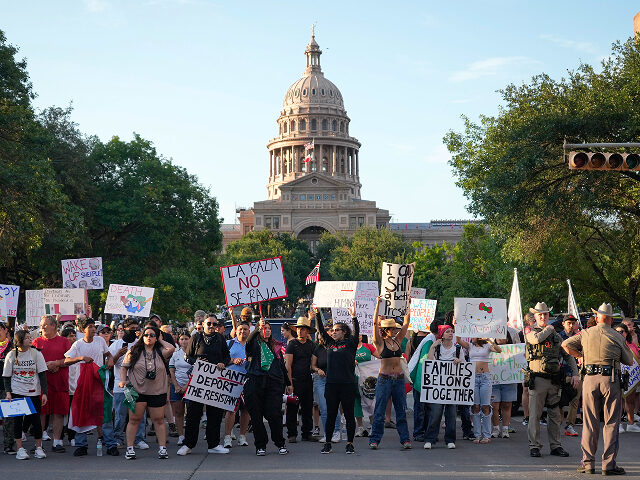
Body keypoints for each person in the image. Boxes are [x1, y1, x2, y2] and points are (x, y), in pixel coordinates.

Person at [563, 303, 634, 475]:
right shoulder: (617, 336)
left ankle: (587, 463)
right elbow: (630, 361)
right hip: (610, 380)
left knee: (590, 422)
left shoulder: (586, 333)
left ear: (597, 317)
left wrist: (580, 356)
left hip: (589, 379)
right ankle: (608, 465)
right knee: (611, 423)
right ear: (610, 319)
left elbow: (565, 344)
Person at [524, 302, 578, 458]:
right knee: (535, 415)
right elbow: (536, 340)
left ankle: (556, 446)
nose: (543, 316)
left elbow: (568, 355)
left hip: (554, 380)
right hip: (538, 378)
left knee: (554, 415)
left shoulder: (555, 335)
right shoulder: (531, 331)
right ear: (534, 316)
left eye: (546, 314)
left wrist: (575, 373)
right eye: (540, 314)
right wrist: (550, 328)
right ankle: (534, 446)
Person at [119, 324, 175, 460]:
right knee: (134, 420)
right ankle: (130, 449)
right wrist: (122, 381)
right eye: (146, 335)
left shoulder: (161, 351)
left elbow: (172, 348)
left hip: (157, 391)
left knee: (159, 420)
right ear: (141, 337)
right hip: (137, 391)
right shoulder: (134, 351)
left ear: (156, 338)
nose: (148, 337)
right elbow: (124, 368)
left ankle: (162, 449)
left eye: (152, 335)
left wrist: (160, 338)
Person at [178, 315, 231, 456]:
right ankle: (188, 444)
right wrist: (197, 361)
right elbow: (187, 356)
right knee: (193, 414)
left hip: (215, 381)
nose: (212, 326)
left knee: (215, 414)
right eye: (209, 323)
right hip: (198, 381)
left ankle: (213, 444)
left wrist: (223, 363)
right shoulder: (196, 337)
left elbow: (226, 356)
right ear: (203, 324)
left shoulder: (220, 339)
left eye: (215, 324)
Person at [311, 306, 359, 454]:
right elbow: (321, 331)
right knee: (331, 414)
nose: (334, 332)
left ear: (344, 332)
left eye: (337, 330)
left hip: (347, 384)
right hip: (331, 385)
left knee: (349, 414)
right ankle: (328, 443)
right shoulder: (329, 344)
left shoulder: (350, 344)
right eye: (333, 330)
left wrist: (354, 317)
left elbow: (356, 332)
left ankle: (350, 443)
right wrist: (318, 314)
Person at [64, 316, 114, 456]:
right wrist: (80, 358)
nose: (93, 329)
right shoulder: (78, 344)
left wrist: (110, 360)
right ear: (82, 329)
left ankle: (110, 444)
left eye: (94, 327)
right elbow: (67, 360)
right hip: (84, 383)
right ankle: (81, 445)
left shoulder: (100, 340)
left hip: (99, 380)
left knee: (104, 412)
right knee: (83, 411)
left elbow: (108, 354)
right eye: (90, 327)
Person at [369, 297, 412, 450]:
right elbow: (374, 325)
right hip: (384, 380)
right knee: (379, 411)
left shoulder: (398, 341)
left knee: (401, 410)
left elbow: (406, 324)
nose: (396, 330)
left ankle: (405, 439)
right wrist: (377, 306)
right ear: (386, 330)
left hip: (399, 379)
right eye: (393, 329)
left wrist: (408, 306)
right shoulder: (379, 342)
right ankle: (374, 440)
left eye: (396, 329)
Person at [244, 319, 289, 456]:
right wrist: (257, 328)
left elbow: (281, 366)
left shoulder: (276, 346)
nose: (267, 330)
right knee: (256, 416)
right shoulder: (254, 345)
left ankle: (280, 443)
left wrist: (288, 383)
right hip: (255, 382)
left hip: (273, 384)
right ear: (258, 330)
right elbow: (248, 342)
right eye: (264, 328)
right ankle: (260, 445)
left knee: (274, 414)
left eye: (269, 328)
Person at [3, 330, 48, 460]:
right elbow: (6, 376)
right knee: (18, 421)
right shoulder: (11, 355)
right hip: (17, 392)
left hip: (33, 392)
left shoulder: (36, 354)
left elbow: (42, 375)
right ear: (20, 340)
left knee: (36, 420)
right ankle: (20, 449)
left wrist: (44, 393)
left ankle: (38, 447)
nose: (30, 340)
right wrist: (8, 393)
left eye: (30, 337)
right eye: (27, 338)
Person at [32, 315, 71, 453]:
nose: (42, 327)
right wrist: (45, 366)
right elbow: (31, 362)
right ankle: (38, 443)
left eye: (45, 324)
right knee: (41, 413)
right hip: (42, 385)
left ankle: (57, 442)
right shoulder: (36, 342)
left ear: (54, 326)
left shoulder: (64, 341)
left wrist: (57, 363)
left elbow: (70, 359)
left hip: (60, 383)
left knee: (58, 413)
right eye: (41, 325)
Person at [109, 317, 147, 453]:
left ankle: (139, 439)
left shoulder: (140, 344)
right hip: (121, 386)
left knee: (139, 414)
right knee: (120, 414)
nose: (134, 331)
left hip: (138, 385)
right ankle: (118, 438)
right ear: (123, 329)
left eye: (136, 328)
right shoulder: (115, 345)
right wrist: (118, 355)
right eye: (131, 328)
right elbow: (109, 364)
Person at [423, 324, 465, 449]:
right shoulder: (437, 348)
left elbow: (464, 365)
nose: (451, 333)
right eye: (447, 332)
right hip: (438, 387)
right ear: (442, 334)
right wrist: (432, 347)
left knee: (451, 414)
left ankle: (450, 439)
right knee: (435, 413)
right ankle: (430, 439)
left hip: (452, 387)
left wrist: (459, 361)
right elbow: (430, 363)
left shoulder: (458, 349)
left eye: (452, 331)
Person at [455, 336, 501, 444]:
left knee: (485, 406)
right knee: (475, 406)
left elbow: (499, 350)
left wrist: (490, 340)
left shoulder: (487, 346)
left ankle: (486, 435)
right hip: (473, 377)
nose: (472, 337)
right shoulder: (470, 346)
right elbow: (458, 340)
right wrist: (456, 323)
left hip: (485, 377)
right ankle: (477, 435)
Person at [284, 315, 319, 443]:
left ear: (307, 331)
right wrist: (289, 383)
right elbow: (288, 365)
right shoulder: (292, 344)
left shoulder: (311, 345)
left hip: (307, 380)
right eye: (298, 328)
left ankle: (307, 433)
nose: (300, 331)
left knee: (307, 407)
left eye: (303, 329)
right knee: (293, 408)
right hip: (295, 380)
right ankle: (291, 434)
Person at [311, 317, 341, 442]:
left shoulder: (336, 347)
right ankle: (327, 433)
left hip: (334, 379)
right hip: (321, 380)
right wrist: (318, 370)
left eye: (330, 332)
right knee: (323, 407)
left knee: (334, 406)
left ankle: (337, 431)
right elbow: (313, 366)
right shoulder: (317, 349)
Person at [223, 322, 251, 448]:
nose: (242, 332)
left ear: (249, 331)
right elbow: (221, 360)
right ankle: (227, 437)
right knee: (231, 410)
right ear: (236, 330)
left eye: (245, 329)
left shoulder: (252, 345)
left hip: (248, 381)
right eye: (240, 329)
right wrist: (233, 360)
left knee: (245, 410)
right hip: (232, 381)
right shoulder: (229, 344)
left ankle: (242, 436)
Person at [490, 327, 519, 439]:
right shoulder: (490, 349)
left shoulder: (514, 349)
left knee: (507, 404)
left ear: (507, 338)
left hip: (509, 380)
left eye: (502, 336)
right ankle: (496, 428)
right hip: (495, 380)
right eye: (498, 336)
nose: (500, 338)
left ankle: (505, 429)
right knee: (494, 405)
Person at [558, 314, 582, 437]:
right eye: (569, 323)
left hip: (576, 373)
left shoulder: (579, 337)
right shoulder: (558, 337)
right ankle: (558, 424)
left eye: (573, 323)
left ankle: (570, 425)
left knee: (575, 400)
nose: (571, 325)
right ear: (563, 324)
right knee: (560, 402)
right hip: (562, 374)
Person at [614, 323, 640, 433]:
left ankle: (631, 423)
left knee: (630, 401)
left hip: (631, 377)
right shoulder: (612, 344)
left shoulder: (632, 345)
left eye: (622, 332)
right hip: (616, 376)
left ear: (626, 333)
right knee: (618, 401)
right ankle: (618, 425)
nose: (619, 334)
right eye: (617, 332)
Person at [169, 330, 191, 446]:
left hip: (190, 387)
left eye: (186, 339)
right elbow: (172, 371)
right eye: (182, 339)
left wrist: (186, 387)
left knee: (191, 412)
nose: (184, 341)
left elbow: (196, 371)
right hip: (176, 386)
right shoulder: (175, 354)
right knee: (178, 412)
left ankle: (190, 436)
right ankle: (181, 436)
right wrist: (176, 385)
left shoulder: (194, 354)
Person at [354, 333, 378, 437]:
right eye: (356, 334)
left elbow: (380, 357)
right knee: (356, 402)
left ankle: (373, 426)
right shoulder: (349, 347)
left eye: (360, 334)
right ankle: (360, 428)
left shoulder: (368, 346)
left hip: (367, 380)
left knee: (370, 401)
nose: (359, 336)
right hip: (354, 378)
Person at [0, 321, 16, 454]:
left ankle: (8, 444)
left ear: (6, 331)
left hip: (7, 387)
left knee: (8, 417)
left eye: (0, 329)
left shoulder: (12, 348)